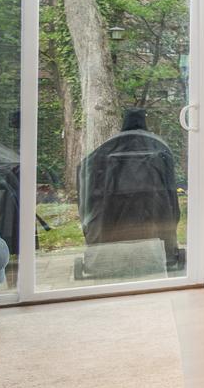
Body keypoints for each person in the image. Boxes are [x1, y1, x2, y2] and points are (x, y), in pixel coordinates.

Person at [78, 108, 184, 274]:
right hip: (153, 210)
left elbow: (85, 170)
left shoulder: (108, 147)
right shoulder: (159, 147)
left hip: (110, 214)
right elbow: (171, 193)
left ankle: (104, 260)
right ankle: (168, 255)